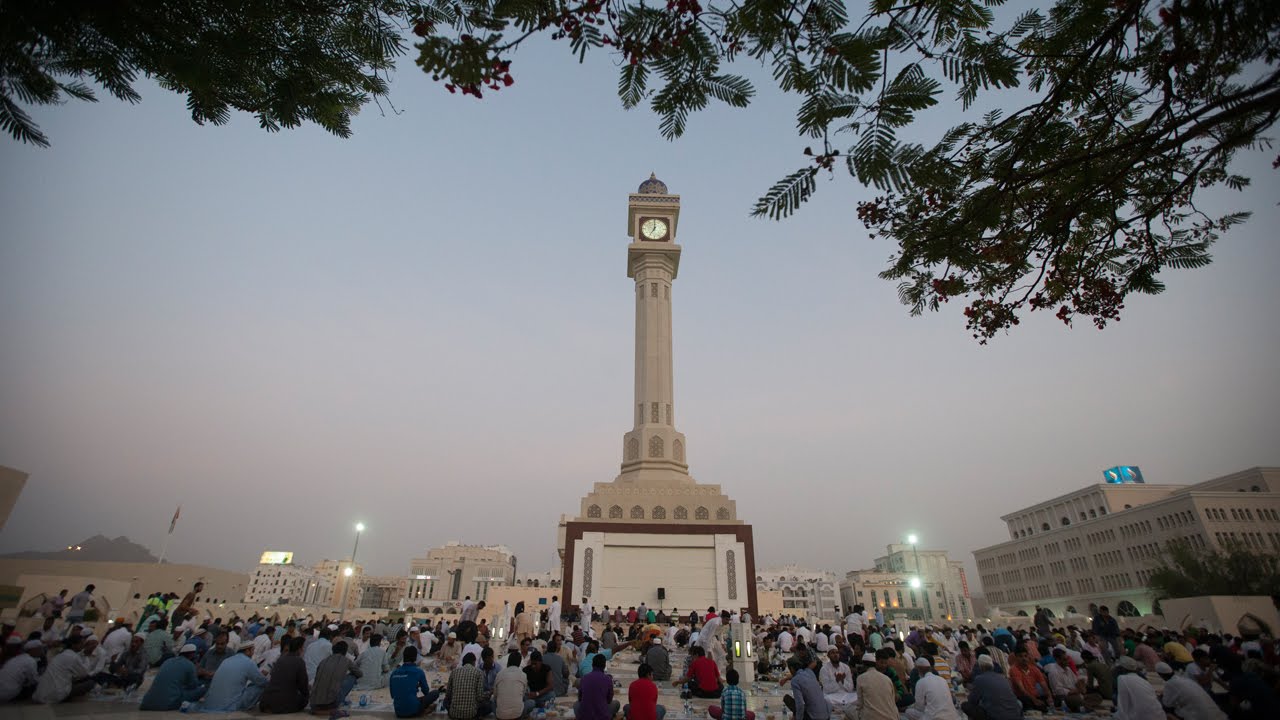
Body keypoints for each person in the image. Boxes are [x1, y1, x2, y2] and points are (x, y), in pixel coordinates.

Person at [202, 639, 268, 712]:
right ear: (247, 651)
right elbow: (262, 682)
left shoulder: (227, 660)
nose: (253, 653)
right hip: (230, 706)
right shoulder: (248, 662)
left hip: (209, 704)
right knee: (260, 687)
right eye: (252, 650)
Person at [140, 644, 206, 711]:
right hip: (168, 704)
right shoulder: (190, 665)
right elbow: (193, 686)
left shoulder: (167, 661)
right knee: (202, 689)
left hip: (147, 703)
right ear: (192, 655)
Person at [33, 635, 93, 704]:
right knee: (90, 683)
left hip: (41, 694)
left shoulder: (61, 655)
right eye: (81, 643)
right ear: (73, 645)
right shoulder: (73, 657)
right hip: (55, 694)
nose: (83, 646)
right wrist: (86, 657)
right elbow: (84, 673)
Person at [1154, 662, 1224, 720]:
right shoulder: (1185, 679)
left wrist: (1161, 697)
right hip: (1215, 714)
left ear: (1161, 675)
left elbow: (1167, 703)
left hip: (1198, 716)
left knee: (1161, 706)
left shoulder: (1170, 684)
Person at [959, 655, 1021, 720]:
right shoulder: (1002, 677)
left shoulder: (979, 679)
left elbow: (972, 700)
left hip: (997, 716)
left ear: (980, 667)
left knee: (965, 705)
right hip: (1016, 715)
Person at [312, 640, 362, 718]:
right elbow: (359, 674)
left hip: (314, 703)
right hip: (332, 703)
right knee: (352, 677)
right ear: (345, 652)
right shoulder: (346, 660)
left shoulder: (323, 661)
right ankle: (333, 709)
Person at [260, 636, 309, 714]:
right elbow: (303, 686)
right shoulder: (299, 661)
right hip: (282, 704)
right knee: (304, 699)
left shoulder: (280, 659)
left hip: (266, 701)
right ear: (300, 649)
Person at [390, 646, 440, 718]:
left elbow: (393, 695)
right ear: (415, 658)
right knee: (435, 693)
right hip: (413, 710)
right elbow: (426, 691)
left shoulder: (394, 673)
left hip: (398, 711)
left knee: (410, 697)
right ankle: (423, 710)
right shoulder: (418, 671)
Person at [849, 649, 898, 720]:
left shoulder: (861, 678)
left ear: (864, 665)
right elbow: (893, 702)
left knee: (848, 708)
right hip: (892, 717)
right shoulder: (887, 679)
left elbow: (860, 704)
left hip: (870, 717)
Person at [576, 652, 620, 720]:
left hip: (585, 716)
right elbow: (609, 700)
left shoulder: (584, 678)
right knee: (616, 703)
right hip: (602, 716)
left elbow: (580, 698)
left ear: (592, 665)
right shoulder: (608, 679)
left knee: (576, 705)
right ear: (604, 666)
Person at [785, 655, 830, 720]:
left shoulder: (795, 680)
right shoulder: (810, 672)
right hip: (826, 716)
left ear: (791, 668)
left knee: (787, 699)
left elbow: (800, 704)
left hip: (814, 717)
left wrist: (798, 718)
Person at [446, 652, 487, 720]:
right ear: (474, 662)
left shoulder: (454, 671)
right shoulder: (479, 672)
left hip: (454, 713)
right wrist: (488, 693)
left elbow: (448, 695)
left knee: (445, 702)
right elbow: (480, 697)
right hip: (471, 714)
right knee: (488, 705)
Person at [1006, 646, 1049, 711]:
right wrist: (1035, 701)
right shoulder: (1014, 669)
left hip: (1035, 696)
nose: (1024, 658)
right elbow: (1022, 690)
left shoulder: (1034, 669)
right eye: (1020, 656)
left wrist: (1049, 697)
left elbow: (1043, 685)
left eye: (1025, 656)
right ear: (1016, 658)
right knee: (1028, 702)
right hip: (1023, 697)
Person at [494, 650, 534, 720]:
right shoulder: (523, 675)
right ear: (519, 664)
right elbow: (523, 695)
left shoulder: (499, 674)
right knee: (532, 702)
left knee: (492, 702)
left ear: (508, 662)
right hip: (517, 716)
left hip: (500, 716)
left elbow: (495, 695)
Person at [1043, 647, 1084, 712]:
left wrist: (1081, 685)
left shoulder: (1068, 669)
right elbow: (1057, 690)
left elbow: (1076, 681)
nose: (1068, 661)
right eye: (1064, 659)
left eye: (1067, 659)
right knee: (1077, 699)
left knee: (1095, 696)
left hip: (1074, 693)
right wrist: (1072, 691)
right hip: (1062, 697)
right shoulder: (1053, 672)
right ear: (1057, 659)